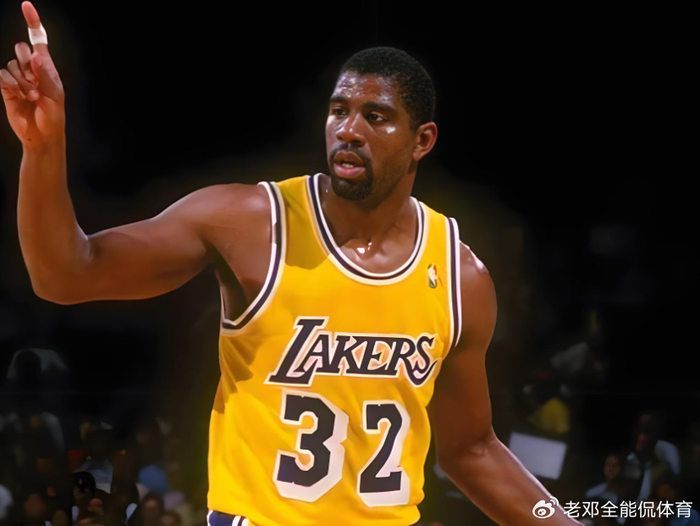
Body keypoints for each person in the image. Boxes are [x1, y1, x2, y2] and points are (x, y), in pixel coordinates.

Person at [0, 2, 584, 525]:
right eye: (339, 110)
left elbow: (472, 450)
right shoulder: (250, 223)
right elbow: (64, 275)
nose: (349, 130)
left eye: (376, 116)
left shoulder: (460, 276)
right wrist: (43, 148)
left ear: (422, 140)